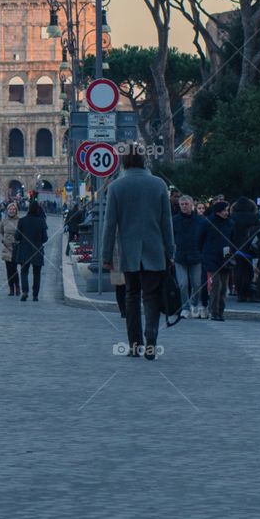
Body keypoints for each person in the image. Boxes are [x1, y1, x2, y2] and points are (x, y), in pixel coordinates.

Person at [101, 142, 174, 360]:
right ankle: (151, 335)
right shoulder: (159, 185)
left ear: (124, 162)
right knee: (151, 296)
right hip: (155, 251)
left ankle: (134, 344)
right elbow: (166, 222)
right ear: (144, 161)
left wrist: (106, 256)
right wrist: (170, 251)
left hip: (129, 254)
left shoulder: (115, 187)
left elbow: (109, 225)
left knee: (132, 296)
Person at [198, 199, 236, 321]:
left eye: (227, 210)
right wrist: (204, 253)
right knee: (216, 285)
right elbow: (200, 239)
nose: (226, 212)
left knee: (224, 286)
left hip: (226, 257)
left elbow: (232, 239)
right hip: (211, 256)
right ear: (218, 212)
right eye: (224, 210)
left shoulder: (230, 223)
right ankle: (214, 311)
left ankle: (220, 311)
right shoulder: (208, 222)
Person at [172, 195, 206, 318]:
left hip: (196, 255)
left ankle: (194, 304)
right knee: (183, 284)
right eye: (182, 204)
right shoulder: (174, 220)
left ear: (192, 205)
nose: (184, 206)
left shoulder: (201, 220)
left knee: (197, 283)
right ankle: (185, 307)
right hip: (180, 255)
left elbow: (205, 237)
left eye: (186, 204)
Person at [15, 199, 48, 301]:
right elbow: (45, 238)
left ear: (28, 209)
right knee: (36, 273)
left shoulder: (22, 220)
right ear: (38, 209)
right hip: (37, 250)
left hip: (24, 250)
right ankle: (35, 295)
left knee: (24, 272)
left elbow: (17, 237)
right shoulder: (41, 222)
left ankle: (25, 291)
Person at [229, 197, 259, 300]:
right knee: (249, 270)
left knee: (238, 270)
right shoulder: (254, 217)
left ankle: (240, 293)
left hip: (236, 246)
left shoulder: (232, 217)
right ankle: (249, 292)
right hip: (250, 247)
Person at [0, 202, 21, 296]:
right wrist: (2, 240)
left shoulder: (20, 221)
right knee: (9, 270)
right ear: (7, 210)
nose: (11, 211)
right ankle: (11, 288)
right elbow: (0, 232)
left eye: (13, 209)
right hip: (6, 247)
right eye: (10, 209)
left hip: (16, 248)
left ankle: (17, 287)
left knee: (14, 268)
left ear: (16, 210)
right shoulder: (4, 221)